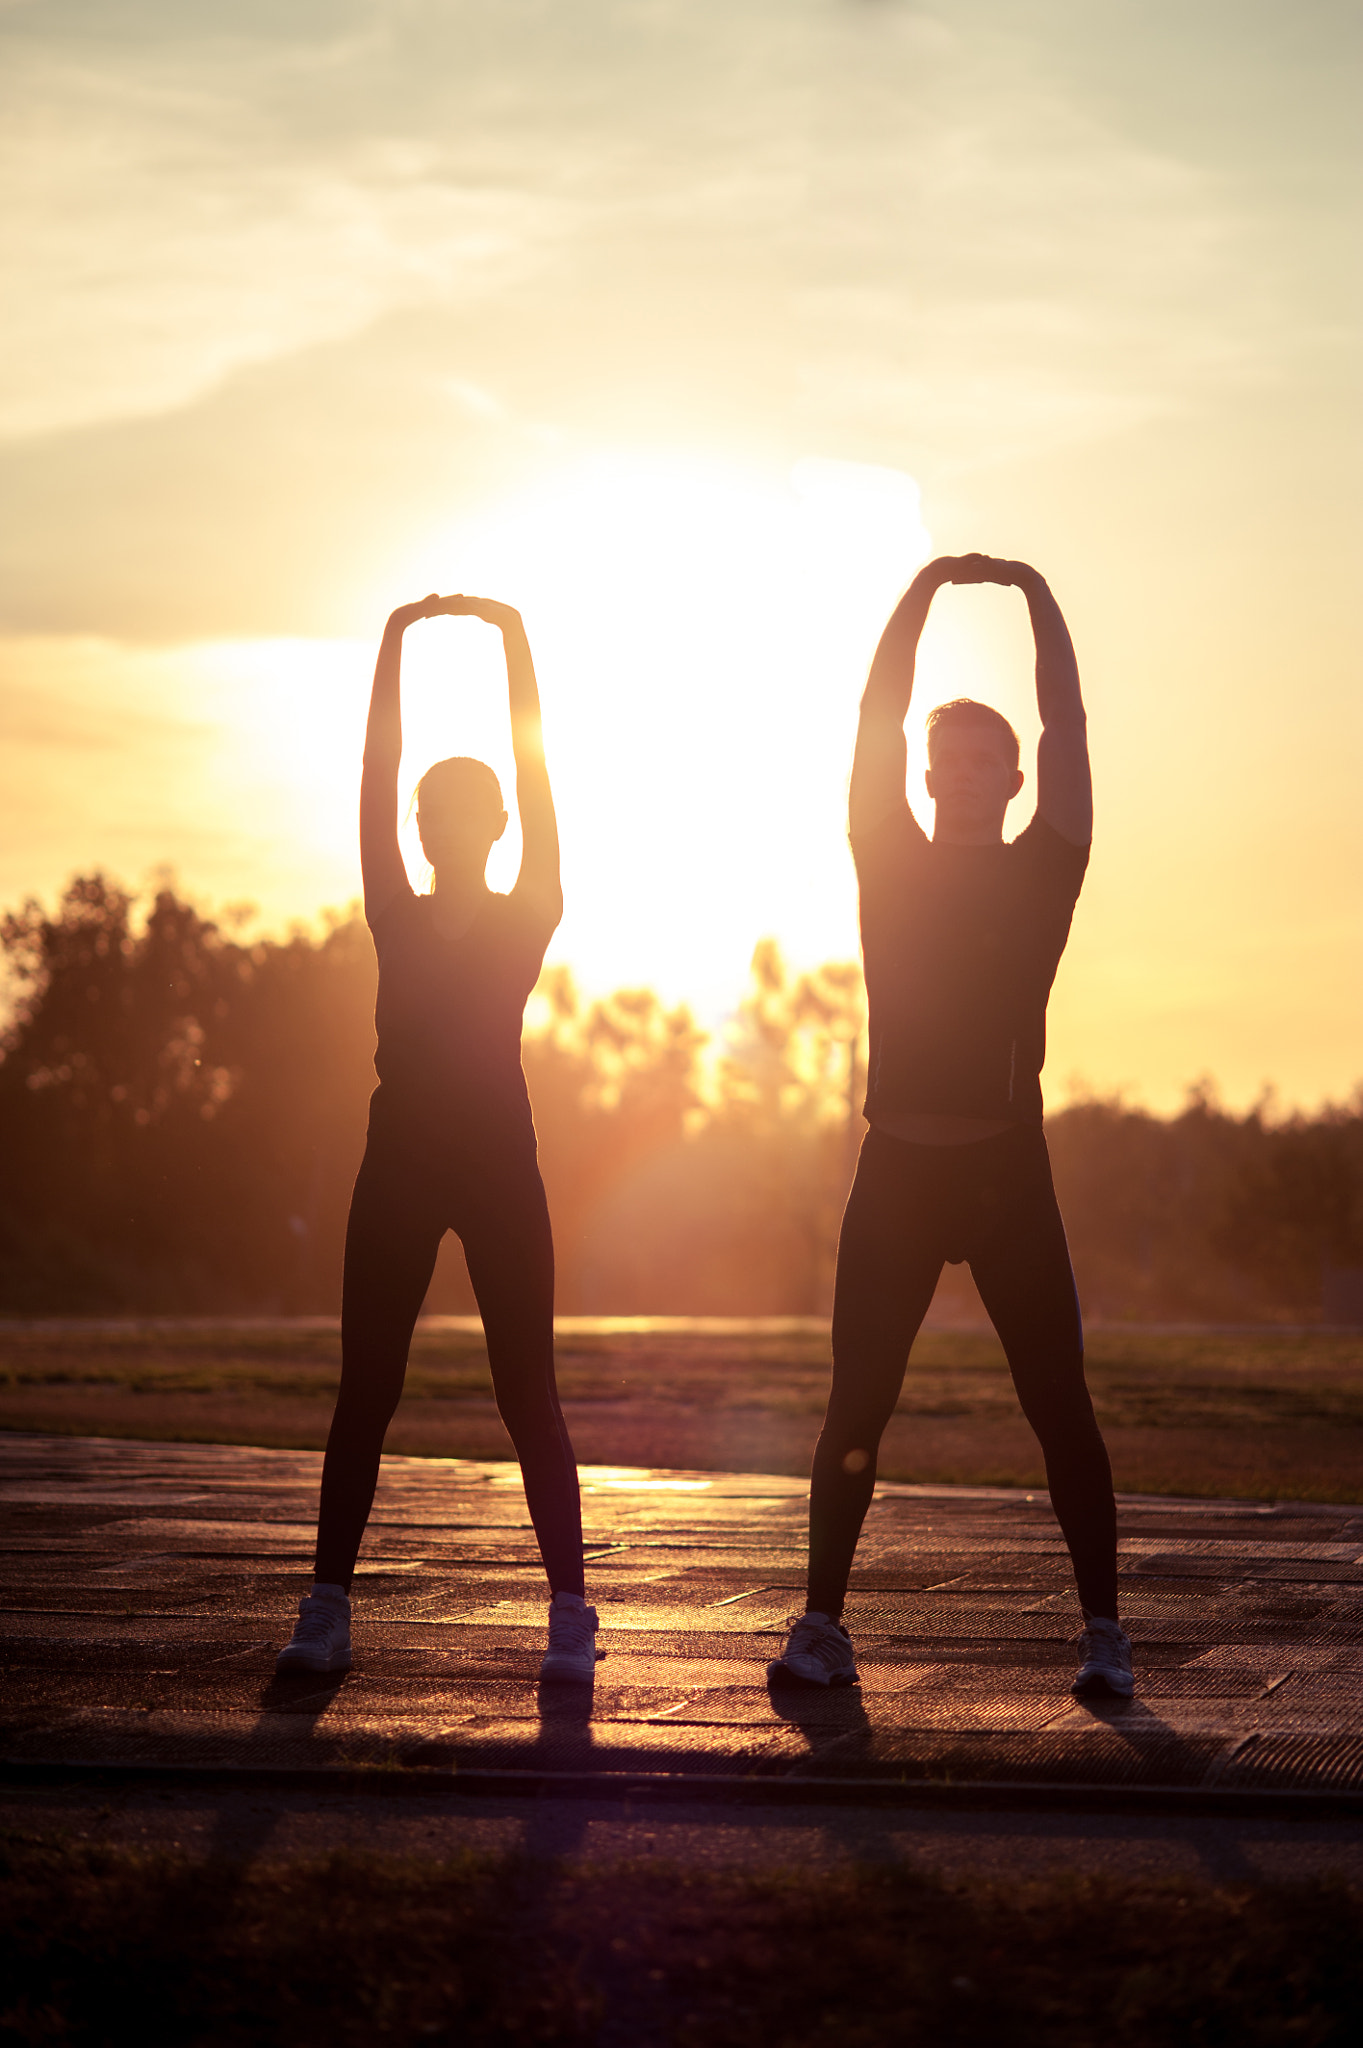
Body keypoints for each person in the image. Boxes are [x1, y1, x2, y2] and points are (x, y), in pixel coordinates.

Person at [771, 554, 1132, 1699]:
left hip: (1006, 1171)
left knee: (1058, 1403)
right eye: (949, 758)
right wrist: (922, 588)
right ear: (926, 775)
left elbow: (1069, 719)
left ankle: (1104, 1634)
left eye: (989, 758)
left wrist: (1034, 594)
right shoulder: (888, 859)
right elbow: (875, 712)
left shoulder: (1045, 868)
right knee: (856, 1404)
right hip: (897, 1174)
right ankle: (821, 1624)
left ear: (1015, 775)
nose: (967, 772)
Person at [276, 593, 598, 1683]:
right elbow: (376, 770)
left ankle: (569, 1607)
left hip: (499, 1160)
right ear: (418, 832)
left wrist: (513, 640)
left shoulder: (527, 907)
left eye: (469, 814)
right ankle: (327, 1603)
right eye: (431, 816)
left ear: (496, 828)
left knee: (527, 1391)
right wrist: (394, 640)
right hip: (401, 1159)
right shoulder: (395, 907)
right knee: (366, 1380)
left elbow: (541, 777)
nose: (445, 828)